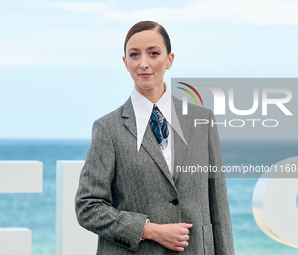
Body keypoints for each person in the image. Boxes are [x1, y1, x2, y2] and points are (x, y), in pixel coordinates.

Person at [75, 20, 234, 254]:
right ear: (125, 62)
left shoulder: (203, 121)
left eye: (153, 53)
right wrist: (149, 230)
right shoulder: (108, 128)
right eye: (134, 55)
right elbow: (88, 207)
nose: (143, 64)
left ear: (169, 60)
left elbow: (218, 206)